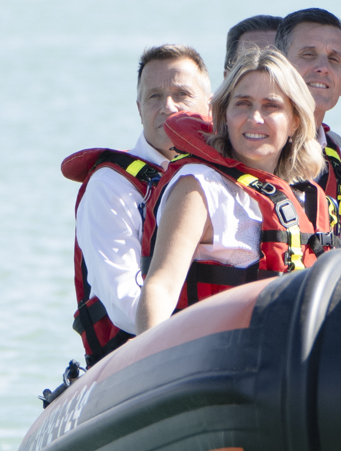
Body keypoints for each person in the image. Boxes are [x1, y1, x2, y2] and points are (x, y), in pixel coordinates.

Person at [136, 49, 330, 331]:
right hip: (213, 362)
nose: (255, 118)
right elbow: (161, 287)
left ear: (295, 120)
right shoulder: (200, 186)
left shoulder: (308, 197)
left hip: (288, 364)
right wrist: (148, 365)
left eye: (271, 106)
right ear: (224, 115)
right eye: (242, 104)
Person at [61, 43, 212, 365]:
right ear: (139, 107)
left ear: (210, 105)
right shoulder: (109, 186)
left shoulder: (228, 178)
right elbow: (123, 304)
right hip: (141, 364)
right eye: (154, 96)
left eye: (182, 94)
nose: (167, 106)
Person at [225, 10, 341, 261]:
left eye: (334, 59)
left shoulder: (339, 159)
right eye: (308, 55)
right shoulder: (235, 141)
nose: (322, 68)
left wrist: (334, 215)